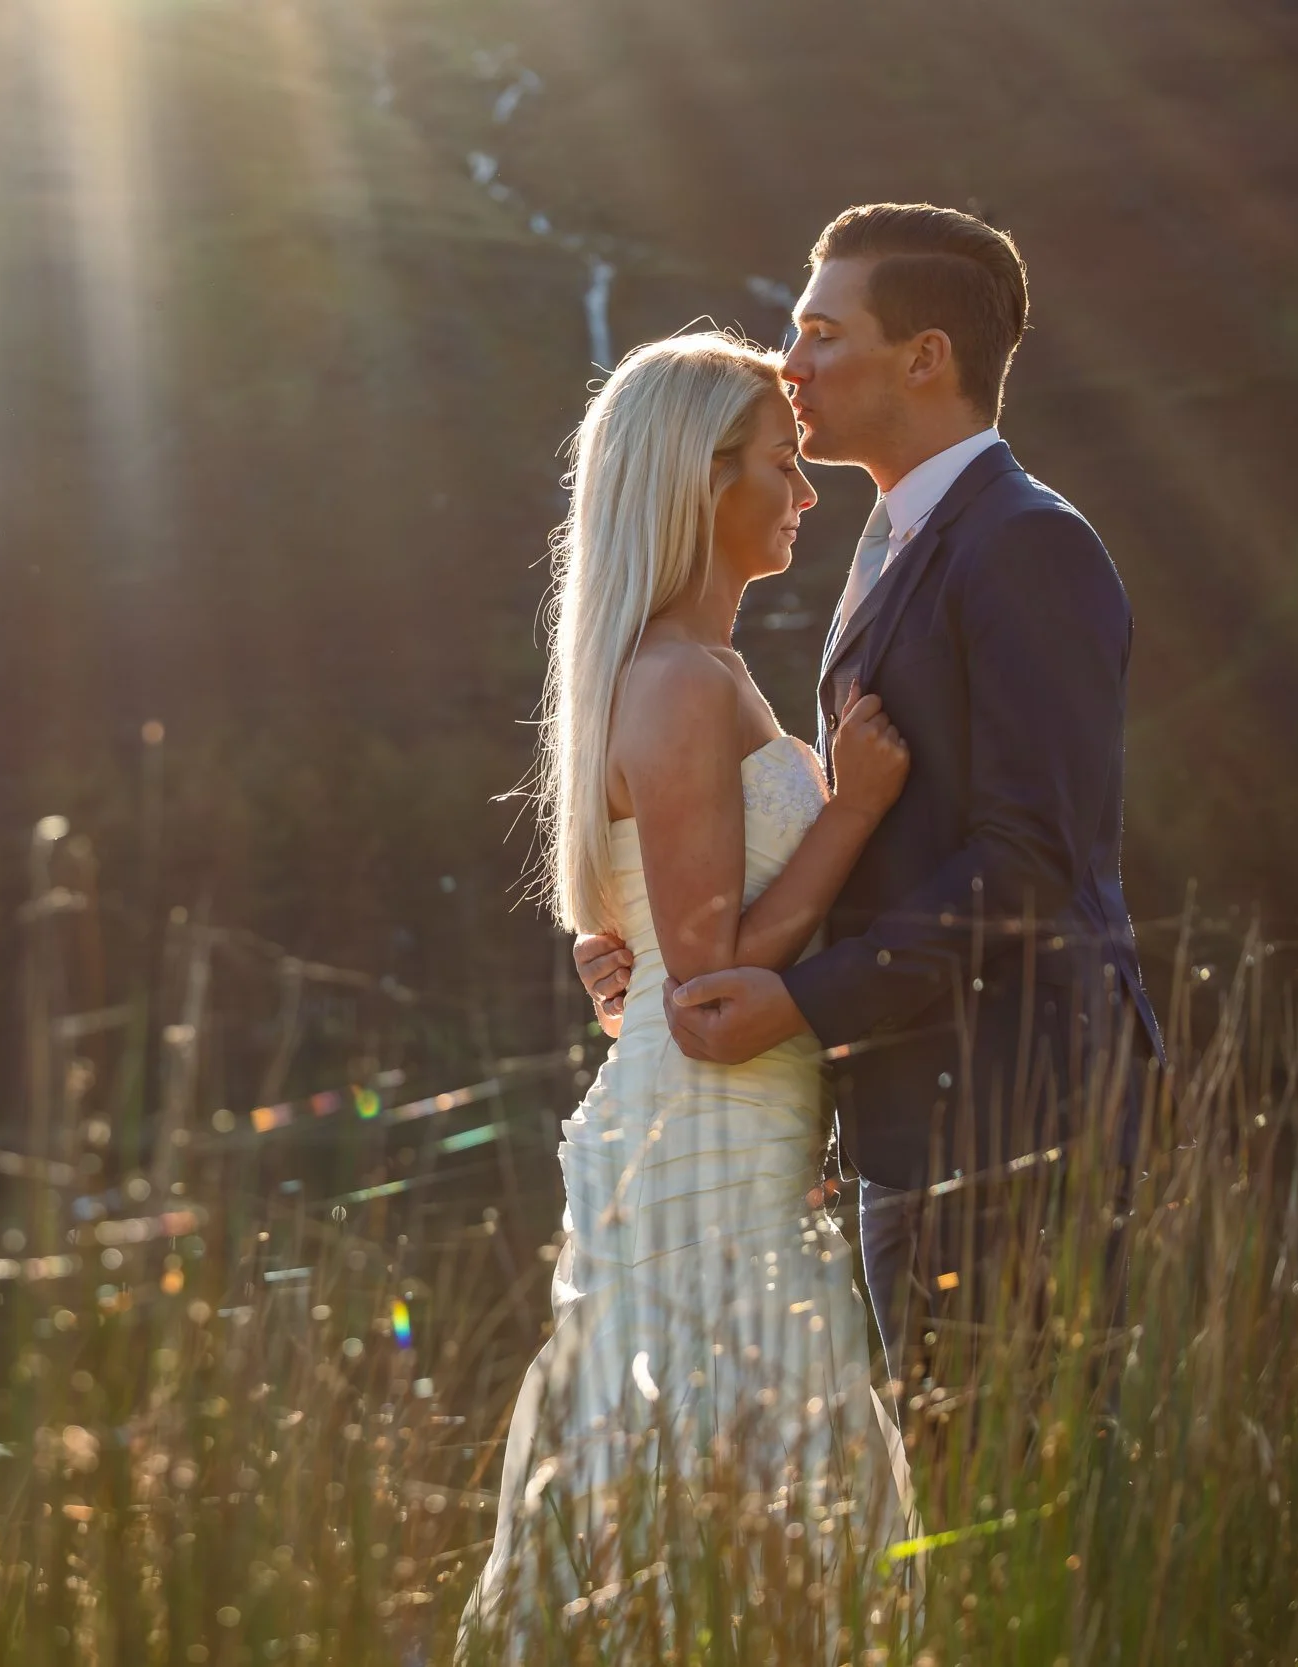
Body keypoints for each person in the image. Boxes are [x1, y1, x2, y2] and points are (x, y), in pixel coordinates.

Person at [574, 203, 1163, 1392]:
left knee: (1004, 1519)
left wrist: (789, 1003)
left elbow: (1028, 860)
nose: (791, 367)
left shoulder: (1024, 544)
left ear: (925, 356)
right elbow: (877, 838)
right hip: (908, 1108)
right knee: (939, 1509)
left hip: (1013, 1113)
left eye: (820, 332)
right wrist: (655, 946)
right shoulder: (889, 548)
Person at [460, 329, 914, 1652]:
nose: (806, 492)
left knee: (762, 1512)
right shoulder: (674, 681)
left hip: (739, 1132)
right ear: (700, 483)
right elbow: (709, 982)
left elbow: (657, 957)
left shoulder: (704, 674)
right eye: (783, 466)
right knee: (735, 1516)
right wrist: (859, 803)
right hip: (698, 1146)